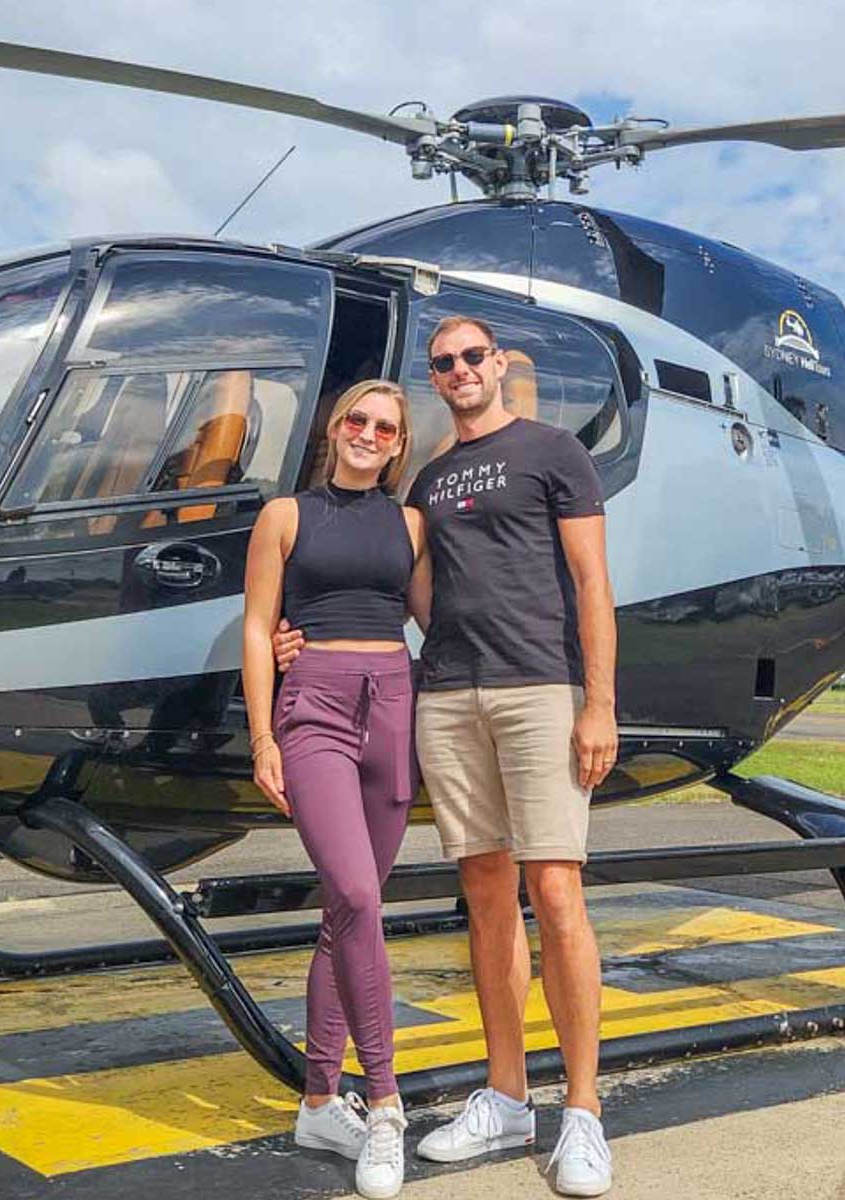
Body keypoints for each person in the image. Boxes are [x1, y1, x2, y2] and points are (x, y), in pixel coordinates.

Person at [276, 315, 618, 1197]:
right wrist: (299, 641)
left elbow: (592, 583)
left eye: (473, 356)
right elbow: (388, 585)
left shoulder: (553, 451)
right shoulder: (424, 480)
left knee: (556, 889)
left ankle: (583, 1108)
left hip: (539, 686)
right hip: (447, 693)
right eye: (444, 363)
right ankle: (507, 1094)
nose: (460, 369)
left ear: (498, 364)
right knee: (486, 893)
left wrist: (599, 705)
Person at [243, 378, 425, 1200]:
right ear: (335, 427)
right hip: (312, 706)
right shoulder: (285, 516)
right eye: (357, 418)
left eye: (385, 427)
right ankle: (384, 1103)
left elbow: (436, 618)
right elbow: (256, 628)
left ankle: (319, 1099)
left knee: (345, 913)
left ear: (396, 447)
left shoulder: (410, 524)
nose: (367, 432)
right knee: (357, 891)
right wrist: (261, 735)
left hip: (393, 706)